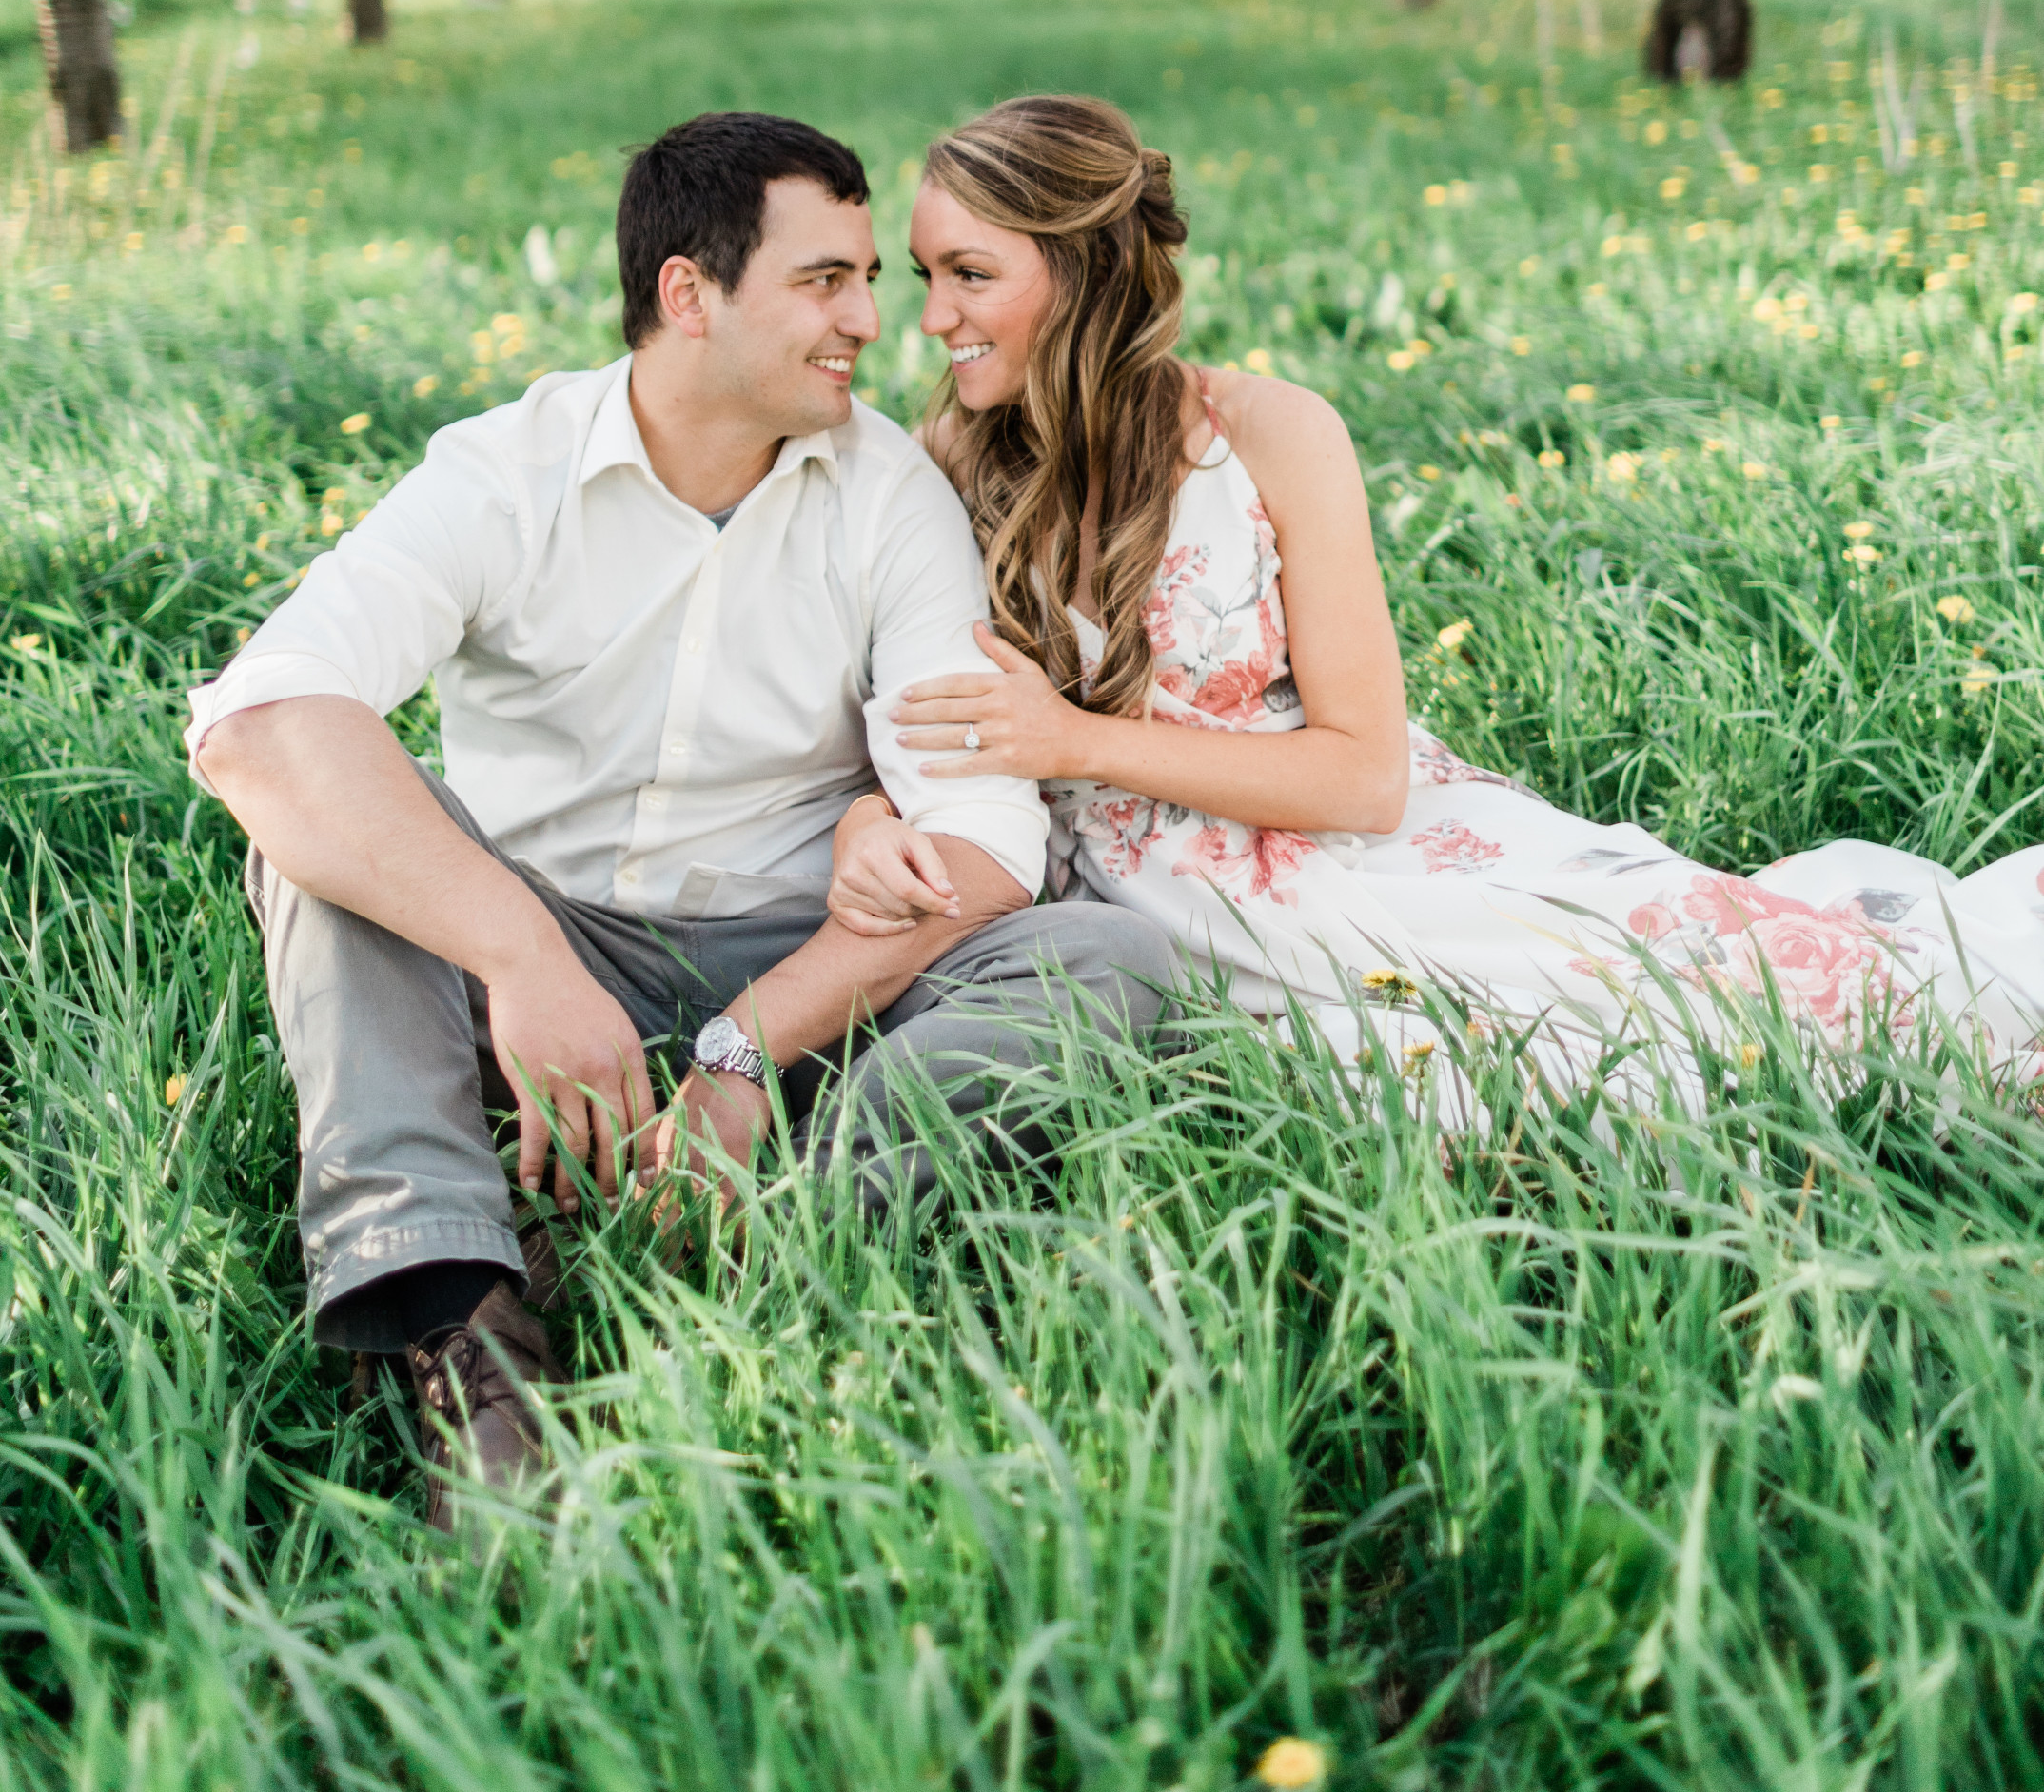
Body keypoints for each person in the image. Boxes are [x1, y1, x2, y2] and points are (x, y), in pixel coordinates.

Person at [189, 110, 1174, 1526]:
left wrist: (738, 1055)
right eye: (824, 281)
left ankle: (769, 1240)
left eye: (869, 280)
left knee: (1107, 964)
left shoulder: (890, 494)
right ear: (688, 293)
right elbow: (260, 716)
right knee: (323, 859)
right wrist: (525, 959)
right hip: (536, 917)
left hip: (805, 954)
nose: (868, 321)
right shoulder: (503, 471)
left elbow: (983, 845)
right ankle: (460, 1321)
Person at [826, 94, 2044, 1110]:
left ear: (1086, 274)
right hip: (1147, 912)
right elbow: (911, 727)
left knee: (1718, 973)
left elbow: (1365, 777)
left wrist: (1079, 742)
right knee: (1529, 1075)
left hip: (1353, 841)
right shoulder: (946, 463)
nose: (930, 319)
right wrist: (864, 828)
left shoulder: (1269, 434)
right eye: (927, 275)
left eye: (970, 276)